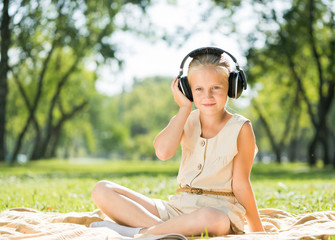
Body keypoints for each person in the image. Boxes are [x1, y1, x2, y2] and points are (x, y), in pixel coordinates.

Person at [90, 47, 265, 238]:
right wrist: (184, 108)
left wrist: (258, 230)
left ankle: (144, 233)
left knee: (210, 218)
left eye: (216, 87)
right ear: (187, 90)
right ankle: (159, 232)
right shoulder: (186, 119)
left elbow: (241, 184)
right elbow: (163, 152)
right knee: (102, 189)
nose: (207, 96)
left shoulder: (241, 128)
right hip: (177, 208)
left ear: (232, 87)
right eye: (198, 89)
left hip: (220, 212)